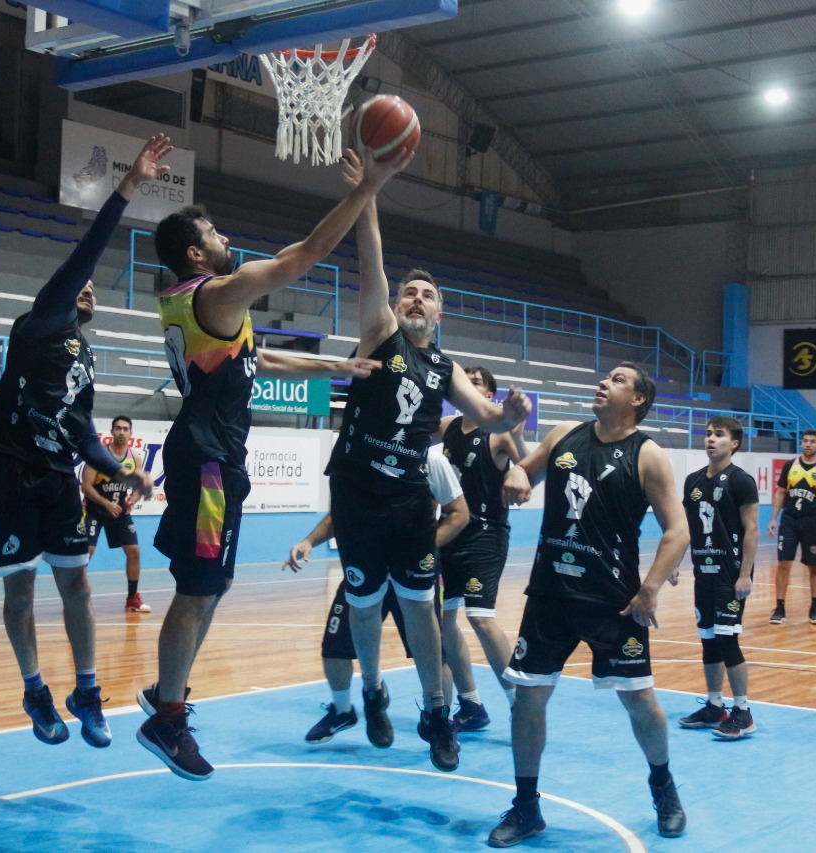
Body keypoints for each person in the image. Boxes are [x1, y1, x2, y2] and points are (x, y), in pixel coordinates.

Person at [134, 147, 410, 782]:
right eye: (213, 234)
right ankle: (165, 716)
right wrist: (366, 190)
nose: (224, 237)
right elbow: (301, 258)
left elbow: (261, 361)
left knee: (216, 582)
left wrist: (335, 367)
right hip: (207, 460)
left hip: (209, 454)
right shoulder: (219, 293)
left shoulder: (199, 307)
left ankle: (164, 695)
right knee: (199, 586)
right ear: (196, 255)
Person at [325, 152, 531, 774]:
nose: (416, 296)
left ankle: (437, 712)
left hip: (409, 499)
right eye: (411, 290)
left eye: (428, 294)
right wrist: (370, 193)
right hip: (358, 493)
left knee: (419, 607)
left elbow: (490, 419)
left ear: (440, 313)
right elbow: (372, 265)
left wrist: (512, 415)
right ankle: (371, 692)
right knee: (362, 605)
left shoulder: (446, 368)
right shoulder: (379, 333)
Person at [0, 134, 171, 749]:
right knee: (21, 585)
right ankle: (35, 689)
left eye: (90, 289)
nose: (88, 289)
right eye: (80, 286)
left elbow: (80, 428)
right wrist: (130, 187)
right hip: (8, 469)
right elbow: (84, 256)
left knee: (79, 583)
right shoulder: (40, 322)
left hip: (58, 477)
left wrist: (120, 469)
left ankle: (85, 691)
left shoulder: (84, 352)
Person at [487, 363, 691, 848]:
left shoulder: (649, 456)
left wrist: (650, 589)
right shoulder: (563, 435)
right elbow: (523, 470)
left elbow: (678, 530)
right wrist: (516, 472)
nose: (604, 382)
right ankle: (527, 807)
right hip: (551, 595)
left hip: (612, 603)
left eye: (618, 380)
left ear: (638, 399)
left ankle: (664, 788)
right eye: (606, 376)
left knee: (640, 701)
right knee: (527, 700)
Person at [286, 451, 469, 746]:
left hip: (412, 572)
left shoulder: (432, 460)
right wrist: (309, 541)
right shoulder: (363, 452)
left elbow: (459, 513)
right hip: (368, 564)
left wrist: (419, 549)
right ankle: (344, 710)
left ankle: (440, 721)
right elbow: (340, 514)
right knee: (335, 647)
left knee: (436, 654)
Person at [436, 365, 528, 730]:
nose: (469, 389)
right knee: (442, 625)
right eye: (465, 384)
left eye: (476, 384)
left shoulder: (499, 433)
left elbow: (530, 466)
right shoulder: (446, 428)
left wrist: (519, 468)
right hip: (447, 534)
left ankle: (518, 703)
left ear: (489, 397)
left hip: (485, 535)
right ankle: (471, 705)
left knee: (480, 617)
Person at [677, 415, 761, 741]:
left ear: (734, 443)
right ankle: (715, 705)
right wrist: (675, 563)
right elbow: (687, 528)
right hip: (703, 572)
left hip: (730, 574)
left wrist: (745, 575)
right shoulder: (693, 482)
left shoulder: (741, 481)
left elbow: (752, 529)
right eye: (709, 434)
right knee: (709, 639)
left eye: (720, 435)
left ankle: (743, 711)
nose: (711, 439)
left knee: (728, 639)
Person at [766, 428, 816, 626]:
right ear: (800, 443)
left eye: (812, 441)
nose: (808, 444)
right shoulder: (791, 466)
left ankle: (814, 607)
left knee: (814, 565)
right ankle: (779, 607)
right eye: (805, 441)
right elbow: (780, 493)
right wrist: (773, 518)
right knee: (783, 563)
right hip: (789, 521)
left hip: (812, 522)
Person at [82, 415, 150, 612]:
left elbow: (138, 486)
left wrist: (133, 499)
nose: (121, 432)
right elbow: (86, 487)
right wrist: (105, 503)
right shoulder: (99, 456)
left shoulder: (134, 458)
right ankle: (77, 597)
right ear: (111, 431)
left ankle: (132, 598)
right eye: (118, 428)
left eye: (125, 429)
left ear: (130, 433)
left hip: (119, 511)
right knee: (87, 553)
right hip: (94, 509)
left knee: (134, 551)